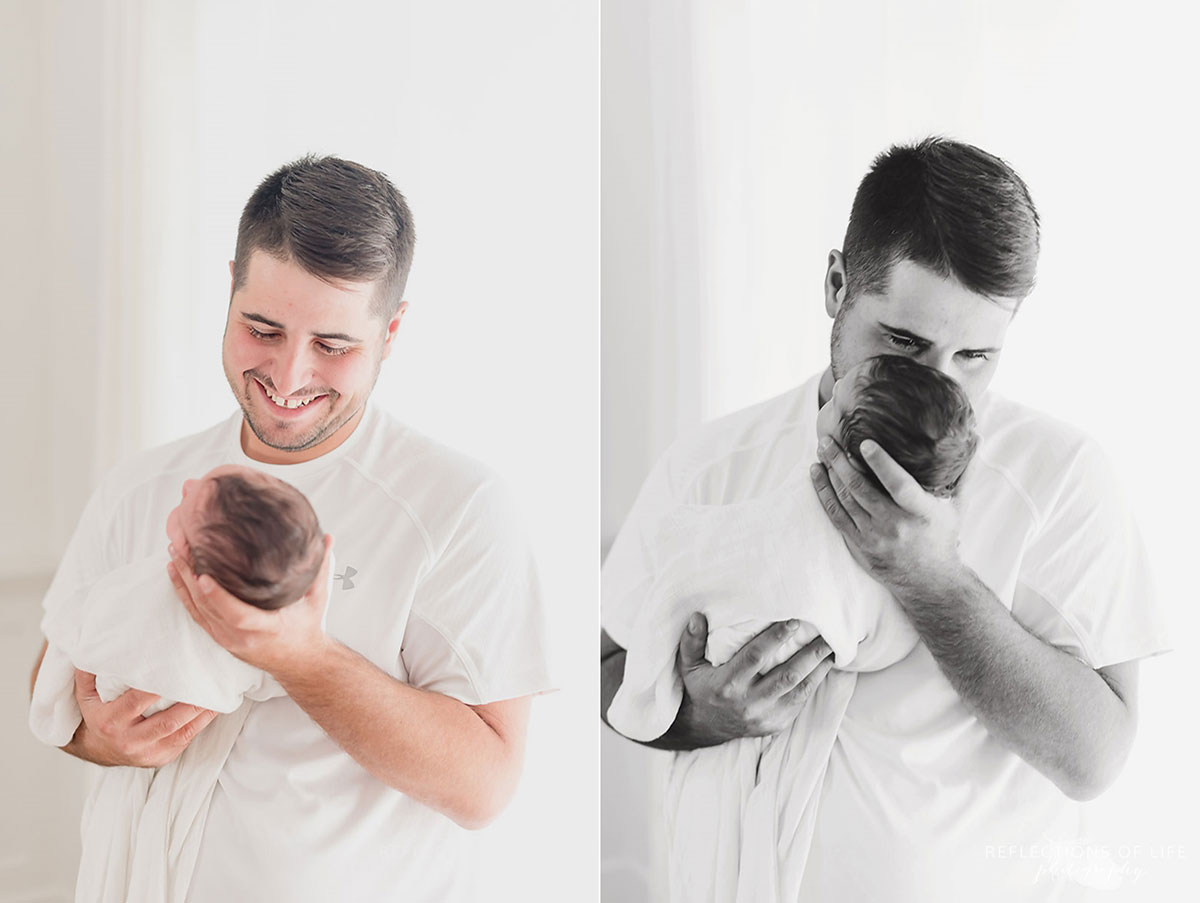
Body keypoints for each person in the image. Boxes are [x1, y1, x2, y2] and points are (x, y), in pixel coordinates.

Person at [601, 138, 1169, 902]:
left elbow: (1096, 758)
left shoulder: (1060, 479)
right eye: (904, 342)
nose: (939, 386)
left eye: (975, 355)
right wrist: (697, 715)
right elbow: (606, 663)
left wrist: (931, 580)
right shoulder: (707, 466)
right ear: (837, 284)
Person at [30, 155, 552, 903]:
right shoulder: (142, 486)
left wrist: (299, 655)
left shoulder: (456, 506)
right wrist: (104, 738)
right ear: (231, 290)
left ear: (392, 330)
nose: (289, 373)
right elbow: (57, 682)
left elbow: (485, 785)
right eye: (262, 328)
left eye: (333, 346)